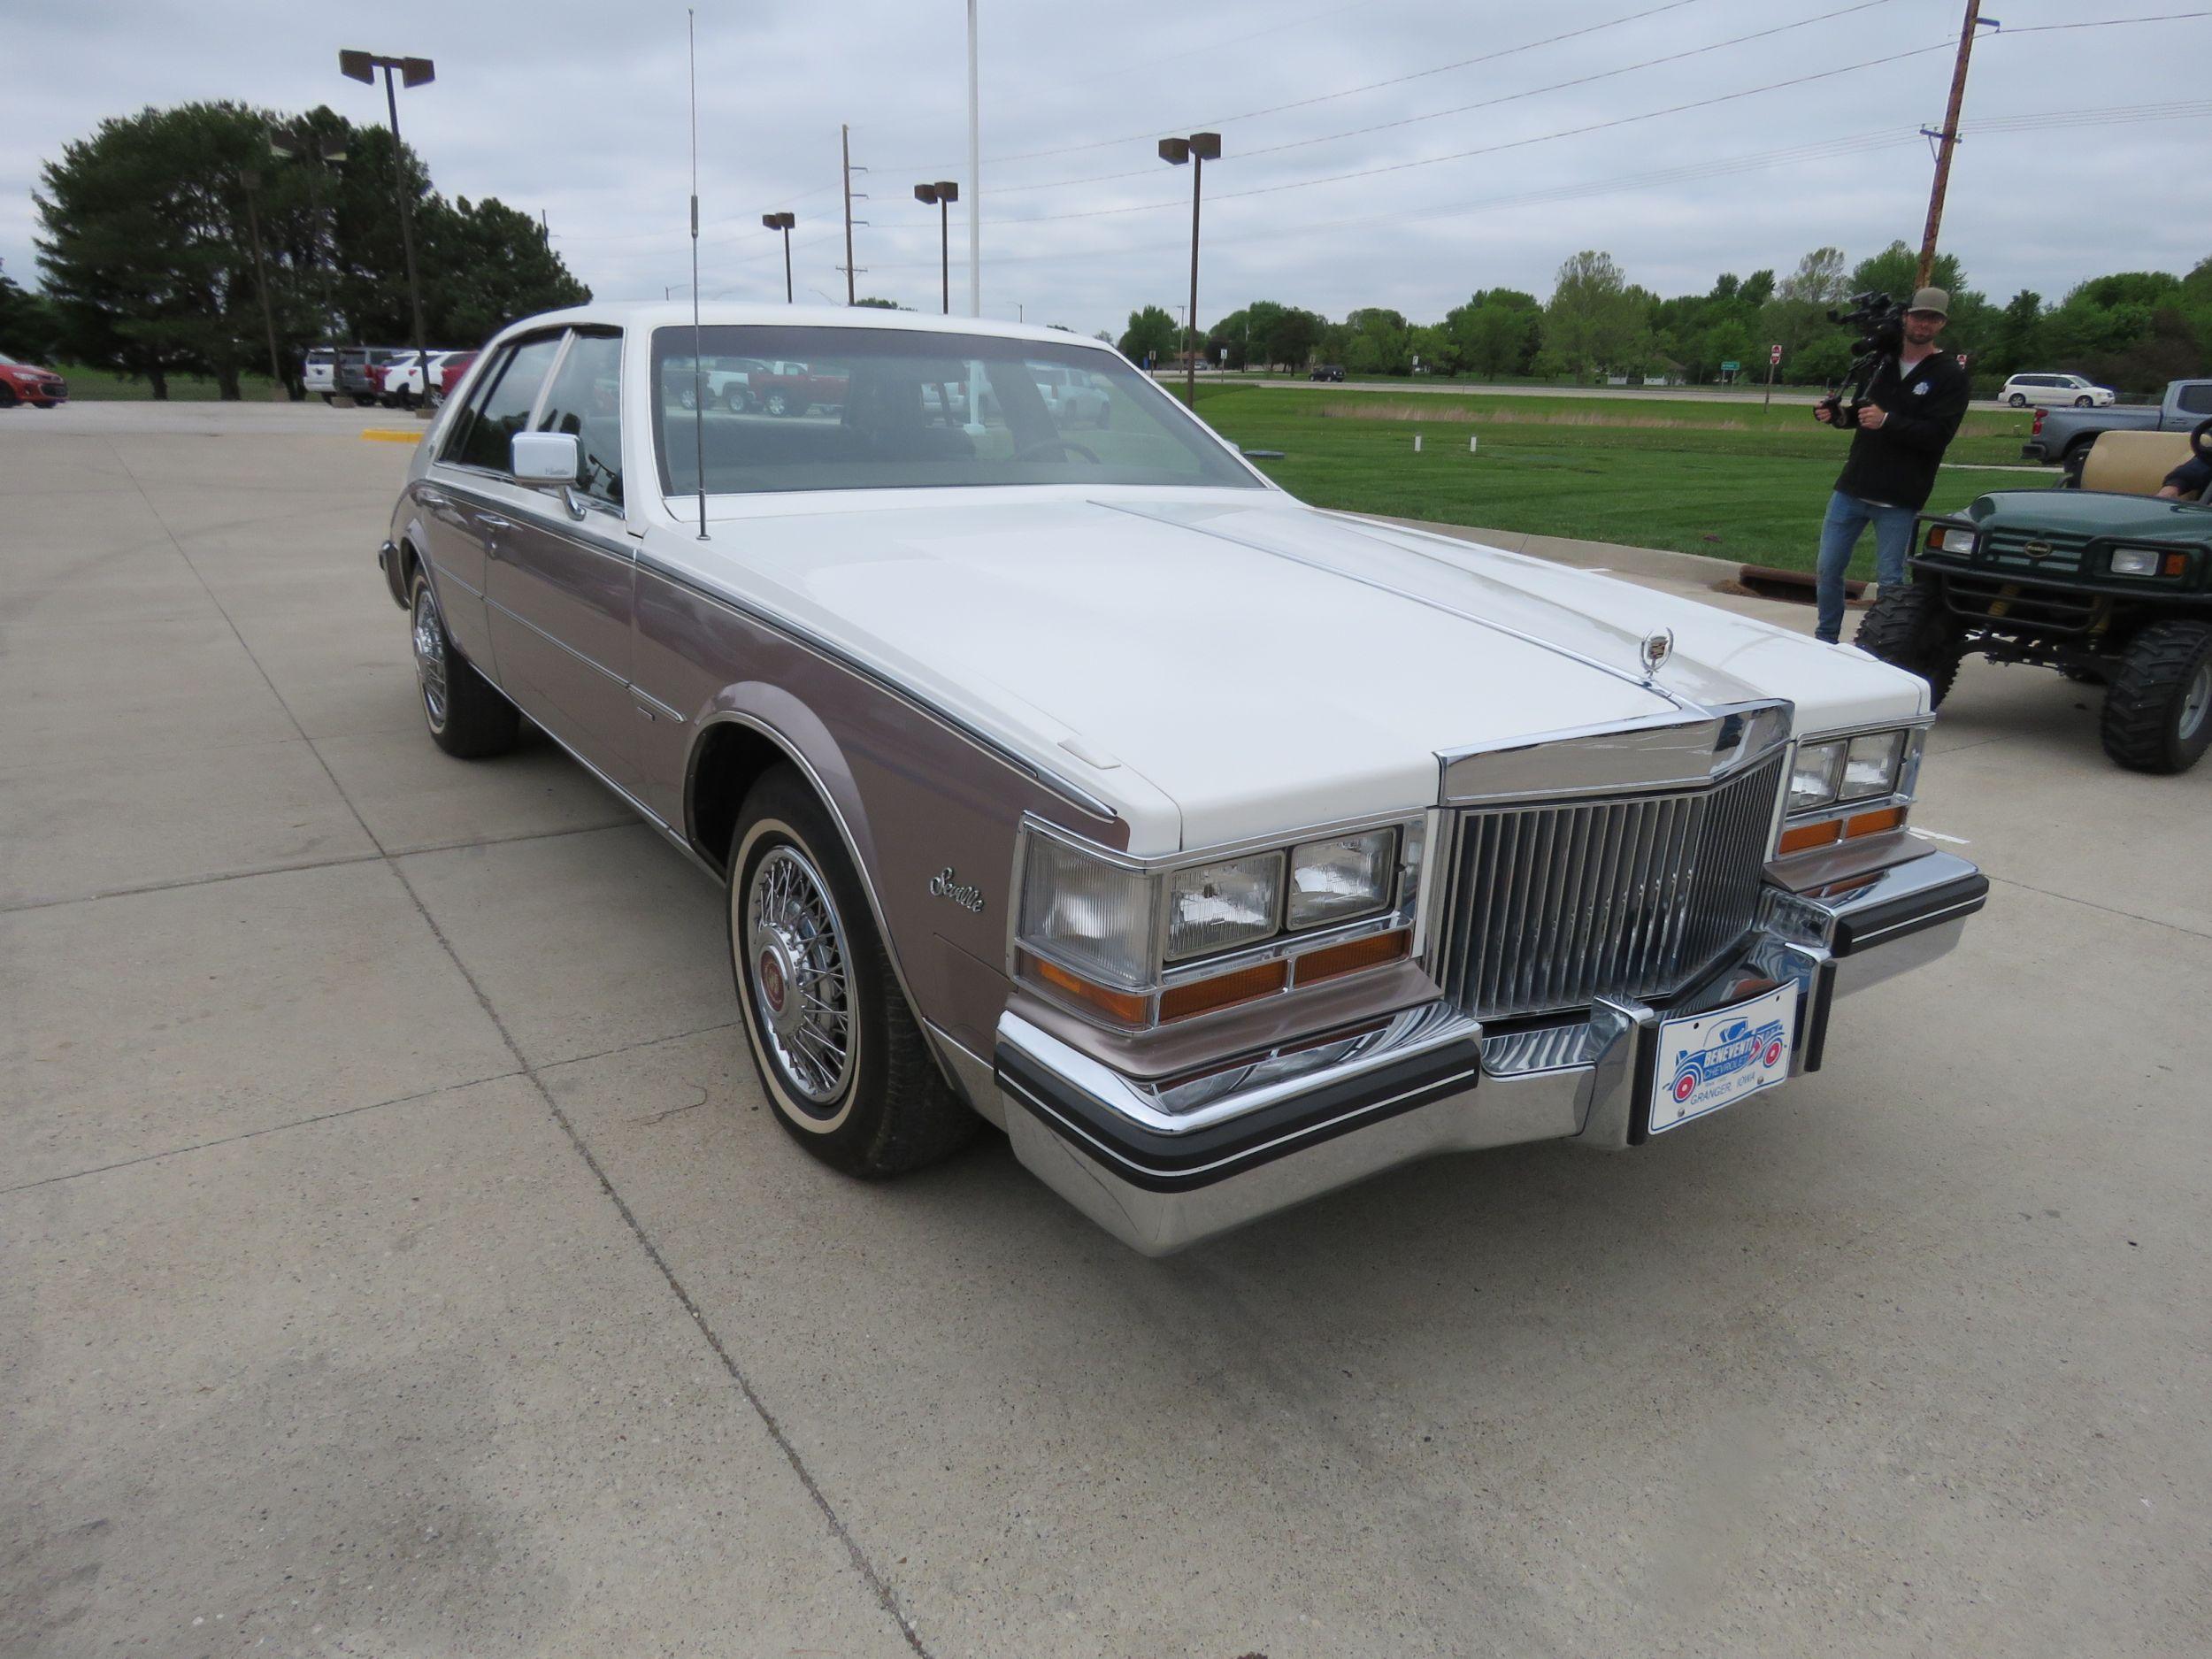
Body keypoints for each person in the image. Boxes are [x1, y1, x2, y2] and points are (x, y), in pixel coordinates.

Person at [1811, 287, 1971, 643]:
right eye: (1918, 316)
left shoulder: (1949, 375)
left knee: (1890, 580)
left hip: (1900, 495)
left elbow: (1938, 434)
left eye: (1932, 318)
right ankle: (1825, 639)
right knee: (1828, 569)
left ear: (1941, 324)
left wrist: (1888, 422)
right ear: (1905, 317)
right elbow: (1861, 413)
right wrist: (1837, 415)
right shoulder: (1881, 362)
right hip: (1853, 486)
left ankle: (1884, 645)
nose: (1923, 324)